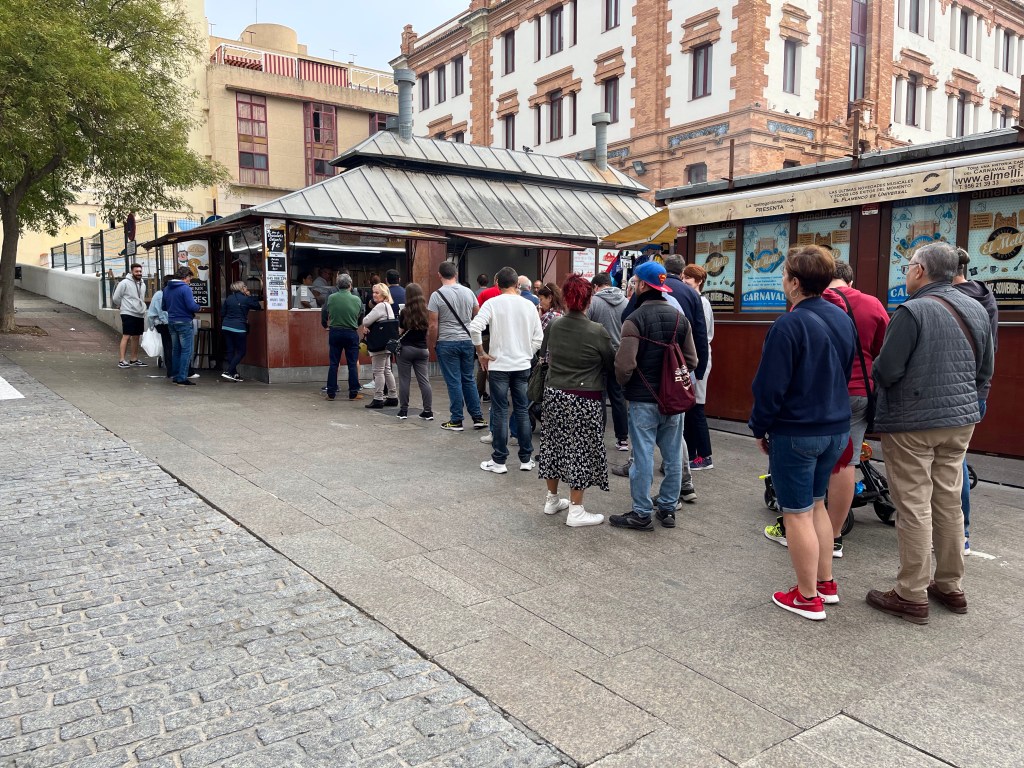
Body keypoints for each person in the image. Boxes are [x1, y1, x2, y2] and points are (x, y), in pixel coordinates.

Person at [867, 242, 994, 624]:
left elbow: (887, 370)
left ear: (920, 270)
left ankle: (911, 593)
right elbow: (985, 369)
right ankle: (951, 586)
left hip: (913, 422)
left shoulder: (912, 311)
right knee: (949, 502)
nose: (906, 272)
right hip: (960, 420)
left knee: (914, 506)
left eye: (908, 266)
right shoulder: (977, 307)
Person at [749, 245, 855, 621]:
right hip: (835, 427)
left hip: (796, 429)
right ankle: (825, 583)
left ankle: (807, 596)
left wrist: (760, 426)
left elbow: (770, 386)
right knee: (817, 504)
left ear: (794, 282)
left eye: (784, 275)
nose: (782, 280)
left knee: (796, 514)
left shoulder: (788, 324)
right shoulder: (842, 317)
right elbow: (845, 370)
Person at [610, 261, 697, 532]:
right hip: (673, 400)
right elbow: (692, 360)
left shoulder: (634, 320)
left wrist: (625, 385)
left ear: (642, 286)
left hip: (643, 399)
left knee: (643, 456)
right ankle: (668, 508)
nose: (634, 286)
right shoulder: (680, 318)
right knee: (672, 455)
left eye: (635, 282)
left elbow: (624, 365)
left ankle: (642, 512)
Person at [538, 275, 614, 527]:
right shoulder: (597, 331)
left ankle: (551, 499)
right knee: (580, 449)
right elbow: (610, 363)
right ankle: (576, 509)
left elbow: (544, 355)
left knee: (553, 445)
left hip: (554, 393)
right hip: (584, 397)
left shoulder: (553, 325)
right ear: (588, 300)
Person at [469, 266, 543, 473]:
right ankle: (526, 459)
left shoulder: (492, 303)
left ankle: (499, 461)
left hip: (499, 365)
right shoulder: (529, 305)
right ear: (517, 284)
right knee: (521, 410)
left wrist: (481, 353)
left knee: (500, 410)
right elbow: (538, 337)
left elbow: (474, 328)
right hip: (522, 365)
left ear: (497, 284)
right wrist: (527, 353)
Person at [953, 247, 998, 555]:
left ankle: (959, 532)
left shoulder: (952, 300)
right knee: (956, 460)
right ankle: (960, 532)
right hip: (978, 391)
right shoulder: (986, 296)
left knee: (950, 464)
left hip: (953, 392)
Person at [428, 262, 487, 431]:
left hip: (447, 342)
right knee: (468, 379)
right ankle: (478, 417)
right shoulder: (469, 292)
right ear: (456, 274)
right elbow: (478, 316)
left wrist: (433, 343)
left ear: (439, 275)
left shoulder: (436, 295)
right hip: (467, 341)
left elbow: (433, 324)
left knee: (453, 381)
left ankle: (456, 419)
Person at [588, 272, 629, 452]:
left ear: (596, 286)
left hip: (598, 355)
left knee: (600, 397)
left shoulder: (594, 302)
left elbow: (586, 327)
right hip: (619, 354)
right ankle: (622, 439)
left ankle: (599, 437)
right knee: (618, 397)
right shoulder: (625, 302)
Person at [681, 264, 715, 470]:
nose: (684, 280)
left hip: (699, 359)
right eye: (683, 276)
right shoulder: (695, 299)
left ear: (699, 281)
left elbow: (703, 335)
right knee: (690, 407)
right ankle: (692, 454)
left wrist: (699, 367)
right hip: (694, 358)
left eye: (689, 277)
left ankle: (705, 456)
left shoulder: (702, 302)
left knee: (697, 407)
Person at [321, 273, 364, 401]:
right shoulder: (356, 299)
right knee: (352, 363)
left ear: (337, 285)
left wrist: (325, 324)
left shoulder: (331, 298)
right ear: (350, 285)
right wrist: (356, 324)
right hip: (351, 332)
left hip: (335, 332)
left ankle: (331, 393)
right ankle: (353, 392)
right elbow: (361, 314)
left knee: (334, 363)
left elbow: (324, 311)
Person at [396, 283, 433, 421]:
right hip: (422, 349)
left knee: (404, 380)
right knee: (424, 381)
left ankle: (403, 411)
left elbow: (400, 331)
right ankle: (428, 411)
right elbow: (428, 330)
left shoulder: (404, 312)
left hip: (406, 349)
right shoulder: (426, 312)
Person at [360, 283, 399, 409]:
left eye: (377, 292)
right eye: (373, 292)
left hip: (379, 344)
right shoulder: (388, 306)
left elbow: (366, 321)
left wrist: (366, 326)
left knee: (378, 371)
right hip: (387, 343)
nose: (374, 295)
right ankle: (393, 396)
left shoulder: (380, 306)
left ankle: (378, 398)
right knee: (387, 370)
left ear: (384, 294)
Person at [162, 266, 203, 386]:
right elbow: (191, 306)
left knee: (176, 350)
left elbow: (164, 307)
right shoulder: (185, 288)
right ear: (185, 277)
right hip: (184, 321)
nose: (190, 281)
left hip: (171, 321)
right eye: (190, 278)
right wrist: (198, 307)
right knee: (186, 350)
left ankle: (175, 375)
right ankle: (182, 377)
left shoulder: (166, 289)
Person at [220, 281, 262, 382]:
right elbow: (258, 306)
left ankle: (233, 374)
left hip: (226, 326)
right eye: (245, 286)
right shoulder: (246, 299)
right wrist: (249, 296)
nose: (246, 288)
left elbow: (222, 313)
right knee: (241, 351)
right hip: (239, 327)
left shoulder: (229, 298)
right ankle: (229, 371)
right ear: (242, 288)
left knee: (230, 350)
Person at [112, 263, 149, 368]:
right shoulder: (124, 283)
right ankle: (121, 360)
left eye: (140, 271)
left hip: (139, 313)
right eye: (136, 271)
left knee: (136, 336)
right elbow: (116, 298)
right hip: (127, 312)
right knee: (126, 335)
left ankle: (134, 359)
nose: (139, 273)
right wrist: (123, 305)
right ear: (131, 272)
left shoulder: (143, 284)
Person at [147, 274, 175, 379]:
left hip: (161, 324)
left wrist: (151, 326)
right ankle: (172, 370)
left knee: (168, 346)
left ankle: (171, 370)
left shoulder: (159, 294)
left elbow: (152, 314)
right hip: (166, 323)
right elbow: (162, 312)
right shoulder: (164, 294)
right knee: (171, 346)